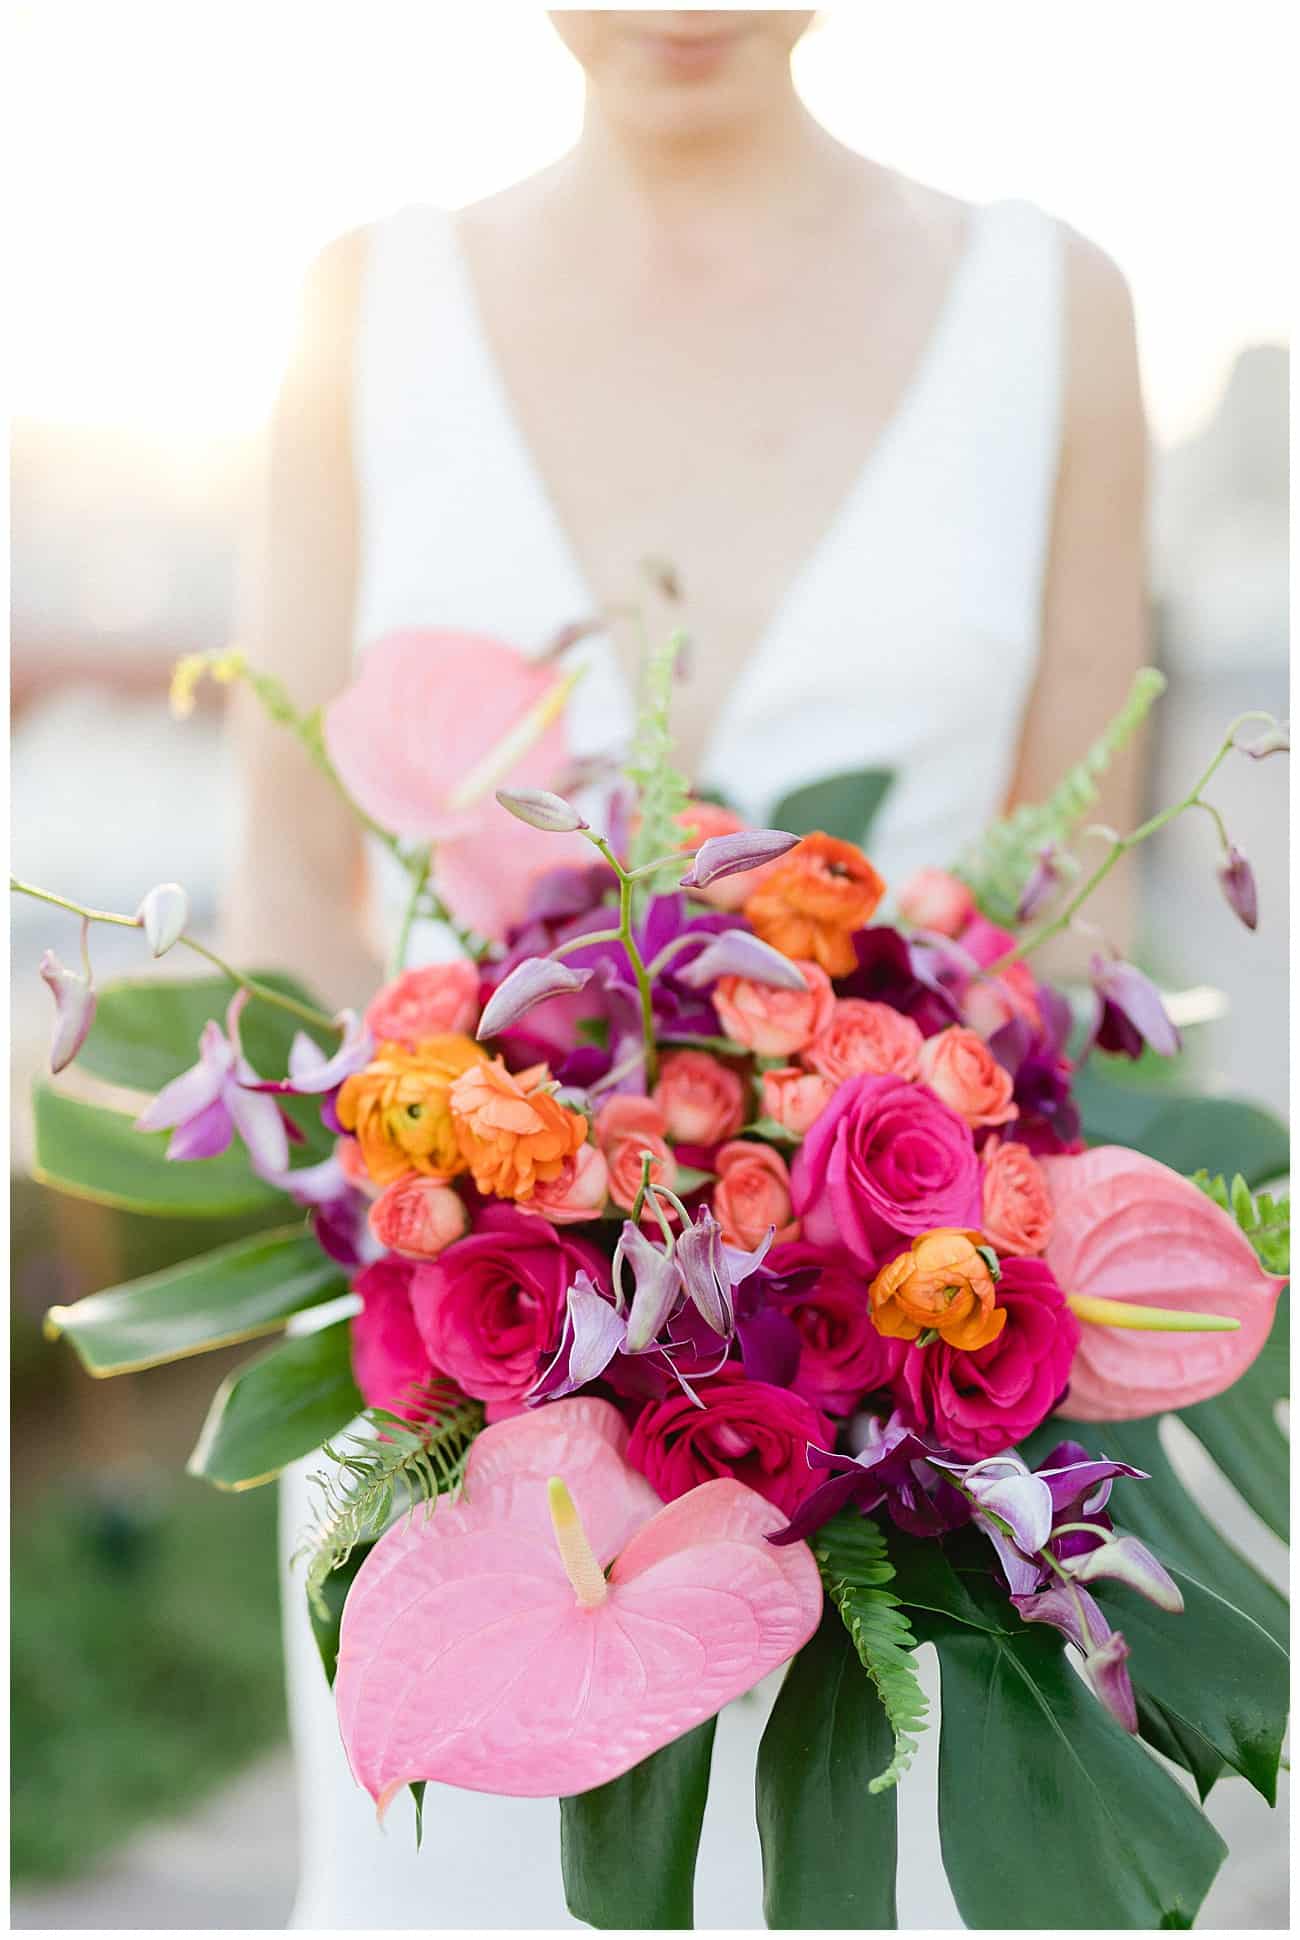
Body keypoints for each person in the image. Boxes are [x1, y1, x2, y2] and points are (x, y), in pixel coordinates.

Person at [224, 11, 1147, 1927]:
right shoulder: (359, 306)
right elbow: (296, 888)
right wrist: (501, 1252)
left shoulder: (1053, 309)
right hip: (461, 1453)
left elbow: (1075, 917)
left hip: (889, 1464)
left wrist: (854, 1289)